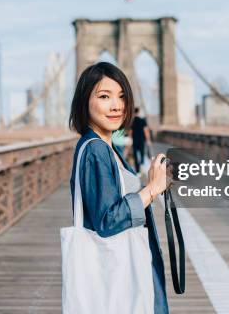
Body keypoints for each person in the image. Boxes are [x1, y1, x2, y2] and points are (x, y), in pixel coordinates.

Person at [69, 62, 170, 314]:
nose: (117, 105)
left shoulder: (104, 146)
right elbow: (107, 220)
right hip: (120, 273)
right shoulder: (96, 150)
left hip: (122, 270)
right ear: (85, 102)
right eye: (104, 96)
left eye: (122, 96)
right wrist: (151, 190)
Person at [130, 107, 152, 173]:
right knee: (142, 153)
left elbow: (130, 132)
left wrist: (130, 139)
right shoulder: (142, 120)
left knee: (135, 155)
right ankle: (142, 164)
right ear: (138, 112)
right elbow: (146, 131)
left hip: (134, 140)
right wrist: (148, 140)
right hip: (142, 140)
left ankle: (137, 170)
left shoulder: (132, 121)